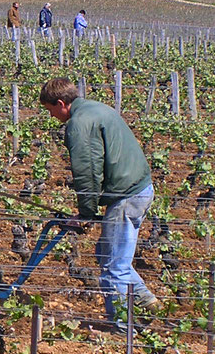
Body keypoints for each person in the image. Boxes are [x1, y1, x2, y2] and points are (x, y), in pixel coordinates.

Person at [39, 78, 158, 329]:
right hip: (139, 188)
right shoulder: (97, 108)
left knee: (114, 267)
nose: (52, 117)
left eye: (51, 111)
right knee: (108, 255)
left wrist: (86, 213)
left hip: (127, 196)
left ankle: (122, 328)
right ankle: (146, 300)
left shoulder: (80, 123)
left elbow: (87, 172)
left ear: (61, 103)